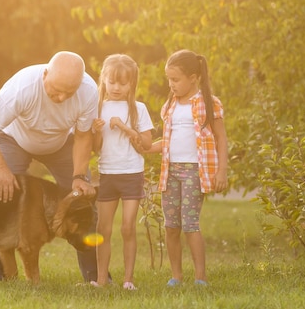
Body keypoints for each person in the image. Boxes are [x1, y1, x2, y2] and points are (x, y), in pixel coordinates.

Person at [0, 51, 99, 282]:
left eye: (68, 93)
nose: (61, 98)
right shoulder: (23, 87)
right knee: (3, 195)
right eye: (56, 90)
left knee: (84, 197)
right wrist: (1, 171)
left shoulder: (88, 91)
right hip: (15, 140)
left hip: (60, 144)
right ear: (45, 74)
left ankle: (95, 277)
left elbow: (82, 136)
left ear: (79, 85)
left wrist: (79, 175)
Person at [145, 49, 228, 287]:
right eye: (169, 79)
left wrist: (221, 171)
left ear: (193, 77)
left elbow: (221, 138)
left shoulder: (209, 104)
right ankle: (176, 276)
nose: (171, 84)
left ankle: (200, 278)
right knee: (171, 226)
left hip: (194, 171)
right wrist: (146, 146)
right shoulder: (170, 105)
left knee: (190, 224)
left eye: (176, 79)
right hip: (170, 171)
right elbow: (167, 142)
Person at [90, 54, 153, 290]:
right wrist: (97, 132)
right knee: (102, 228)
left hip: (131, 173)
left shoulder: (138, 109)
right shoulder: (97, 108)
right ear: (104, 80)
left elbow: (146, 144)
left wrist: (124, 126)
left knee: (128, 227)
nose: (116, 88)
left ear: (131, 84)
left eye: (123, 83)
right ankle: (101, 279)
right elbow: (96, 149)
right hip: (107, 174)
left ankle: (128, 280)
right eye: (112, 82)